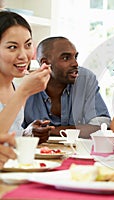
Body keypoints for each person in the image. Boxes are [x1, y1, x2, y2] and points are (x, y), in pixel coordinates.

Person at [22, 36, 111, 139]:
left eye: (75, 57)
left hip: (77, 151)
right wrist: (27, 132)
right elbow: (11, 130)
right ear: (45, 63)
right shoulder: (25, 86)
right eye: (66, 58)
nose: (75, 63)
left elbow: (102, 126)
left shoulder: (85, 79)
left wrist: (52, 131)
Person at [0, 11, 52, 144]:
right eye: (12, 47)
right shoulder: (21, 91)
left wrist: (27, 133)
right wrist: (23, 92)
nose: (23, 55)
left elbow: (10, 135)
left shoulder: (14, 88)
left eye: (28, 45)